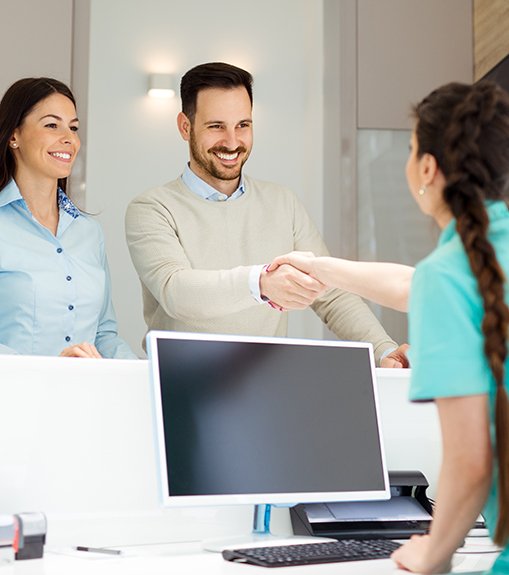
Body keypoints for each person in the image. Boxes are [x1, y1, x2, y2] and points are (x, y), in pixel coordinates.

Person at [271, 81, 509, 574]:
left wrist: (433, 551)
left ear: (426, 168)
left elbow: (471, 460)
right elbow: (413, 284)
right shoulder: (476, 260)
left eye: (409, 149)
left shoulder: (451, 275)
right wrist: (321, 267)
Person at [125, 62, 407, 367]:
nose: (232, 142)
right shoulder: (152, 208)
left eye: (243, 125)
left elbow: (331, 294)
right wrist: (260, 283)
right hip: (179, 386)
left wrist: (383, 349)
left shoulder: (283, 203)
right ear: (185, 126)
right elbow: (176, 291)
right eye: (216, 126)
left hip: (264, 385)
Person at [0, 77, 136, 359]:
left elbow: (104, 334)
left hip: (84, 398)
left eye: (73, 128)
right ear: (14, 135)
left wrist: (140, 373)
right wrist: (51, 371)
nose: (69, 138)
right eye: (52, 125)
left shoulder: (89, 233)